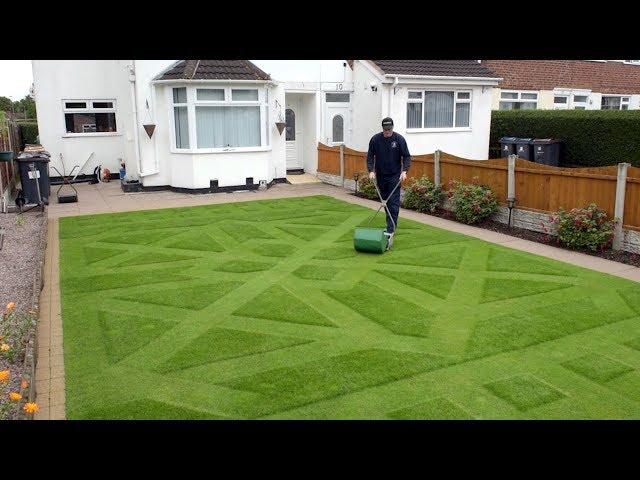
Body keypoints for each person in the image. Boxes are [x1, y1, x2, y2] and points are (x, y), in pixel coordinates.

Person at [366, 117, 411, 247]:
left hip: (395, 176)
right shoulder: (375, 139)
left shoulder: (399, 139)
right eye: (385, 130)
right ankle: (391, 225)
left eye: (389, 130)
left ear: (392, 128)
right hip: (381, 175)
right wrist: (371, 170)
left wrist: (404, 171)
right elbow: (370, 156)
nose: (387, 132)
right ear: (382, 129)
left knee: (393, 203)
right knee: (385, 202)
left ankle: (391, 229)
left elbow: (406, 156)